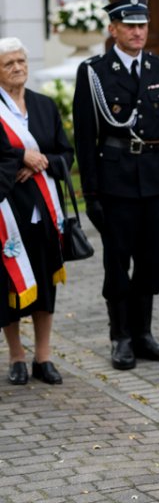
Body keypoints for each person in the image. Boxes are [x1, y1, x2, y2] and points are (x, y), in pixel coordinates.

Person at [73, 0, 159, 370]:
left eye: (142, 25)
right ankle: (120, 337)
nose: (137, 32)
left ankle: (143, 334)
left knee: (151, 262)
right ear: (113, 28)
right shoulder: (94, 72)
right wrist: (91, 193)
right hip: (115, 180)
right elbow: (85, 138)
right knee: (117, 263)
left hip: (154, 178)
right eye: (130, 26)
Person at [0, 38, 70, 385]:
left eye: (21, 61)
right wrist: (19, 159)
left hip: (44, 210)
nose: (17, 68)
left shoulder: (43, 106)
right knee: (9, 284)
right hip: (7, 214)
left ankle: (43, 356)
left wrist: (42, 162)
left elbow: (65, 154)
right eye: (9, 63)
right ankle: (16, 356)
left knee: (45, 282)